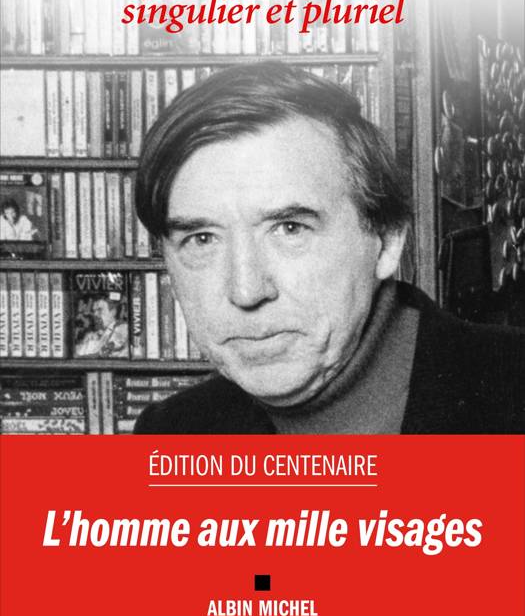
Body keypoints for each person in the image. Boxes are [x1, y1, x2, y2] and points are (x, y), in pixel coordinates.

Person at [133, 61, 524, 434]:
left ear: (387, 241)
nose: (246, 291)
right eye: (202, 239)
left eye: (290, 229)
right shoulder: (169, 431)